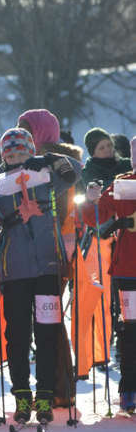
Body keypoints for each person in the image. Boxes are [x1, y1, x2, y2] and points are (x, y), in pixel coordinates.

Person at [0, 128, 81, 425]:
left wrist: (50, 158)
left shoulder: (45, 174)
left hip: (48, 267)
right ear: (4, 156)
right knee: (16, 336)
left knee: (47, 334)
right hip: (13, 271)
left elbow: (76, 172)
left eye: (22, 154)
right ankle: (22, 395)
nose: (17, 160)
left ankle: (45, 395)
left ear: (30, 152)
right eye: (11, 154)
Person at [17, 109, 84, 408]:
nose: (24, 136)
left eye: (27, 130)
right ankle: (60, 388)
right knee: (49, 319)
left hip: (55, 244)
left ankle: (61, 389)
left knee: (50, 319)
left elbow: (53, 202)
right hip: (43, 245)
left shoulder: (56, 162)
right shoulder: (34, 158)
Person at [83, 153, 136, 414]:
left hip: (127, 267)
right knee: (130, 330)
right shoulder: (123, 185)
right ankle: (129, 389)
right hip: (128, 267)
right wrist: (91, 198)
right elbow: (95, 217)